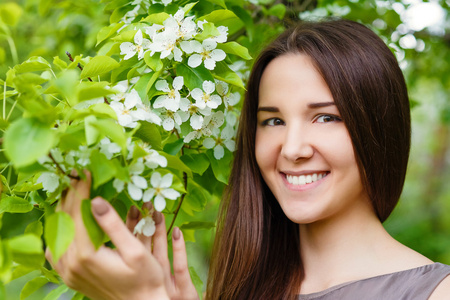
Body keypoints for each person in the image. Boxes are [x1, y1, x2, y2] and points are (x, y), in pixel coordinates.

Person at [46, 19, 450, 299]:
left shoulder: (434, 292)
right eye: (272, 120)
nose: (292, 149)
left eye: (325, 117)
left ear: (379, 128)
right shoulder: (243, 287)